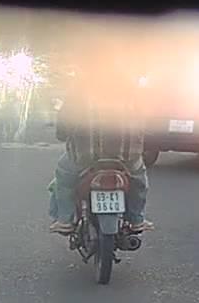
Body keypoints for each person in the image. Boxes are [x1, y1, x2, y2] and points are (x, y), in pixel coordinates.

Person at [48, 48, 152, 235]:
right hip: (126, 156)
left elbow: (65, 120)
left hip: (85, 155)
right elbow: (144, 117)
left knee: (63, 178)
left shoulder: (79, 90)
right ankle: (137, 220)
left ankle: (65, 220)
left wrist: (62, 134)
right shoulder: (130, 88)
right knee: (139, 182)